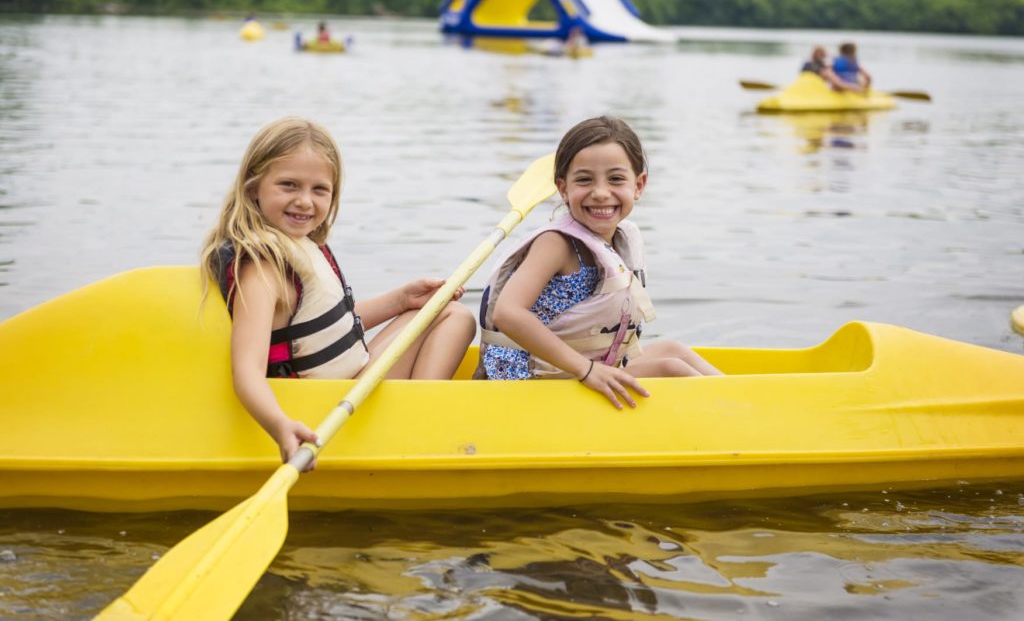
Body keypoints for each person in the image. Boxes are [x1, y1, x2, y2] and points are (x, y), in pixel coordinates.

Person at [199, 117, 476, 464]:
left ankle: (413, 416)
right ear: (254, 187)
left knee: (449, 313)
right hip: (325, 405)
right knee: (457, 317)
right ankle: (416, 425)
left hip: (348, 383)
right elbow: (247, 371)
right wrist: (280, 426)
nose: (304, 201)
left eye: (319, 190)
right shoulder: (262, 270)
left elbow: (326, 328)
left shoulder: (300, 246)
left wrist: (400, 300)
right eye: (288, 185)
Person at [474, 116, 722, 410]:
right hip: (530, 378)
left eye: (616, 179)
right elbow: (508, 313)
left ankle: (749, 404)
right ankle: (736, 424)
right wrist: (586, 370)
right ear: (563, 189)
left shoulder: (618, 239)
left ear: (639, 185)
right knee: (671, 369)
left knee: (675, 350)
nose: (601, 192)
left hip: (571, 369)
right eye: (584, 180)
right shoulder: (557, 243)